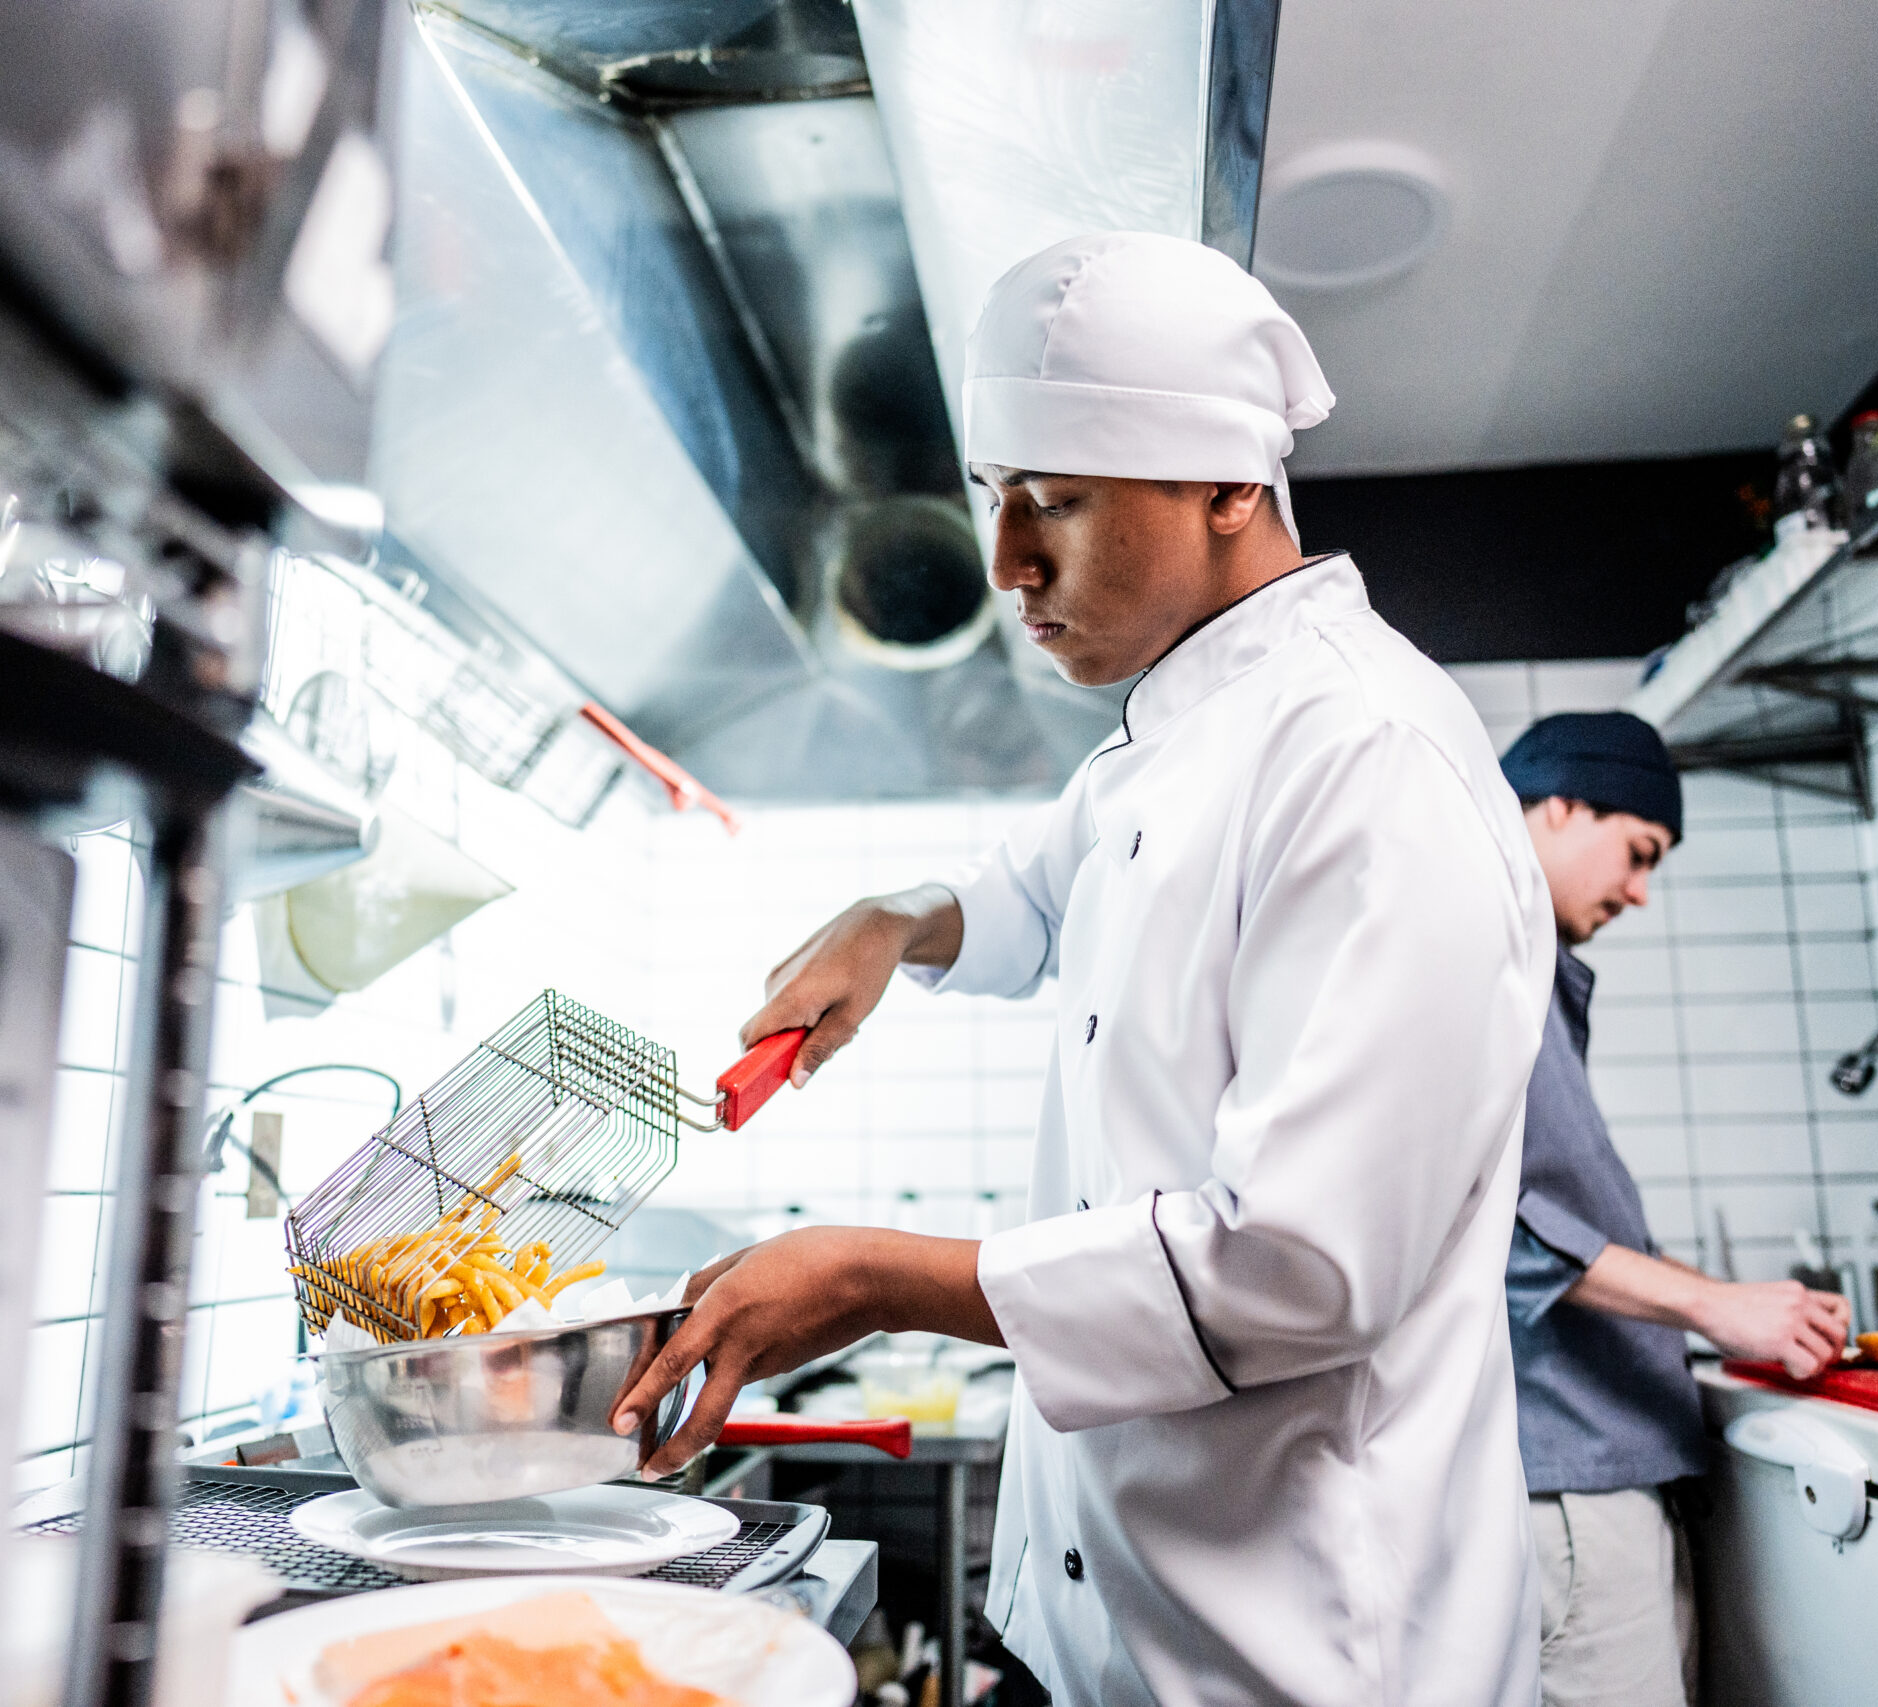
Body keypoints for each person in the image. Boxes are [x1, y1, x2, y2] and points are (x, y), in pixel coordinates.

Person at [610, 232, 1552, 1706]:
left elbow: (1298, 1263)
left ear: (1233, 484)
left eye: (1056, 502)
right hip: (1130, 1634)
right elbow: (1044, 895)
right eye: (996, 500)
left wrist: (873, 1275)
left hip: (1309, 1655)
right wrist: (900, 914)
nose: (1005, 565)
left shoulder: (1367, 757)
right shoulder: (1182, 725)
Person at [1496, 712, 1852, 1707]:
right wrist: (1713, 1310)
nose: (1641, 893)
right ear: (1560, 804)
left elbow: (1558, 1217)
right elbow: (1478, 1219)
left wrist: (1733, 1299)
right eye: (1639, 853)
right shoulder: (1475, 959)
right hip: (1567, 1487)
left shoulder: (1526, 969)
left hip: (1601, 1480)